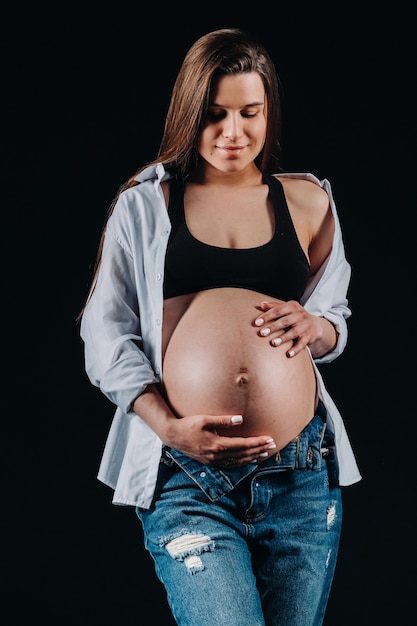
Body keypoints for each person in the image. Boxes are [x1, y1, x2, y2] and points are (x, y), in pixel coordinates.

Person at [79, 27, 361, 626]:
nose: (233, 133)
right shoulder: (147, 204)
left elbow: (334, 322)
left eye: (249, 113)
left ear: (269, 113)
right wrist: (170, 428)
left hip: (300, 472)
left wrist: (315, 327)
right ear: (189, 113)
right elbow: (105, 335)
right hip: (185, 475)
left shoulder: (309, 202)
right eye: (214, 115)